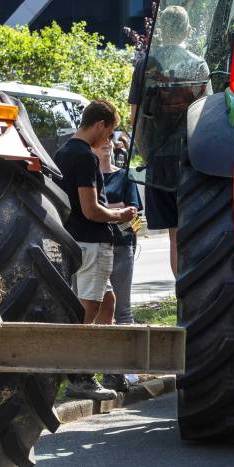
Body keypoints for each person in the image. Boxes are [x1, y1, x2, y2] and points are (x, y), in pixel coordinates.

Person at [53, 100, 138, 401]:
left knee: (108, 303)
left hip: (73, 239)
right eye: (110, 132)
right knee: (88, 307)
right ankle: (79, 376)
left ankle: (105, 367)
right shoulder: (85, 159)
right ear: (100, 125)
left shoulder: (62, 153)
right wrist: (121, 215)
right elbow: (91, 209)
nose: (109, 140)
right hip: (92, 241)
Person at [129, 5, 210, 278]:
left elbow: (134, 118)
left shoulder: (144, 66)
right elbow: (204, 116)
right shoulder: (198, 65)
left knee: (175, 236)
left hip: (159, 164)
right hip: (192, 160)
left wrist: (148, 153)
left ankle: (182, 295)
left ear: (161, 31)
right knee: (196, 231)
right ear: (188, 31)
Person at [93, 137, 142, 392]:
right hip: (96, 248)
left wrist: (104, 213)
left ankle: (126, 369)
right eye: (100, 142)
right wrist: (116, 210)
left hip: (122, 248)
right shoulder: (89, 176)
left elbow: (135, 219)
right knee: (98, 309)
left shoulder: (124, 177)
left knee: (123, 310)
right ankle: (106, 369)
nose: (106, 145)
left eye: (109, 142)